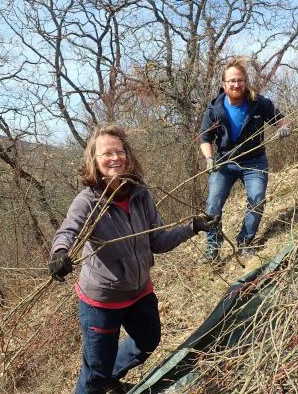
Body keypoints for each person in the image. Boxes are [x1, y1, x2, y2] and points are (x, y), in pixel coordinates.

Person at [48, 125, 218, 394]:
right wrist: (60, 254)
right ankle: (101, 380)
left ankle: (109, 377)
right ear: (94, 161)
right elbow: (68, 230)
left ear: (127, 156)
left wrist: (192, 227)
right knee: (94, 373)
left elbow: (158, 241)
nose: (115, 158)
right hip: (102, 301)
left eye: (120, 151)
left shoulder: (141, 194)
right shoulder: (89, 201)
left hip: (140, 292)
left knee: (148, 340)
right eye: (107, 154)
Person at [199, 56, 291, 260]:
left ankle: (245, 241)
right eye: (231, 80)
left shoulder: (259, 103)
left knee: (257, 199)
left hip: (254, 161)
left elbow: (280, 119)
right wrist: (209, 159)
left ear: (245, 81)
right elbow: (205, 138)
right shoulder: (215, 108)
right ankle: (213, 248)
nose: (236, 84)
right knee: (213, 203)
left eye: (240, 80)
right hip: (223, 162)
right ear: (224, 84)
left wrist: (285, 127)